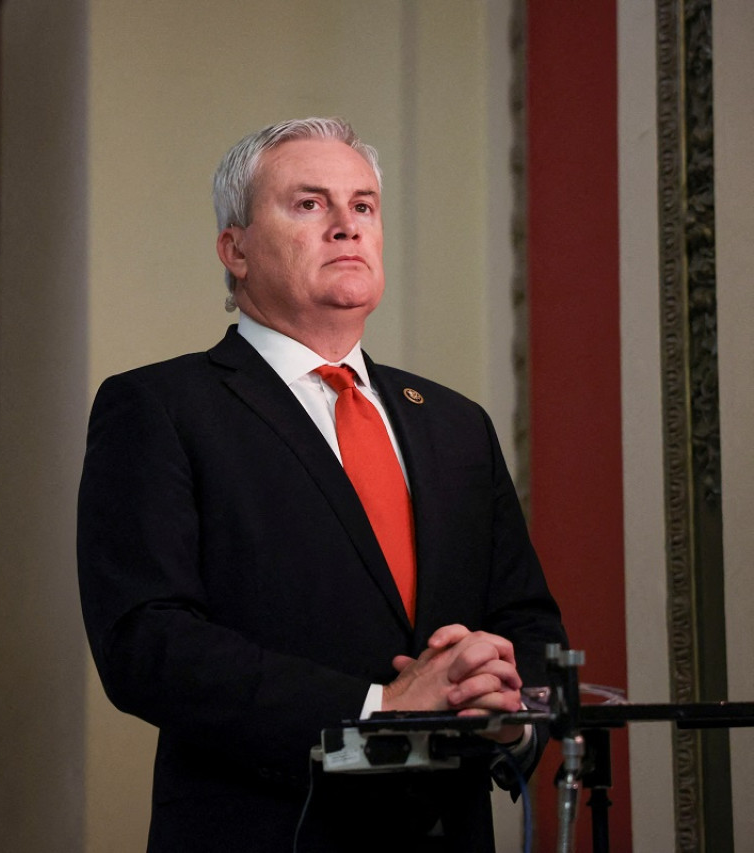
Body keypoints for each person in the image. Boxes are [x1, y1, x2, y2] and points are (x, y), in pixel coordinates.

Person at [76, 117, 566, 852]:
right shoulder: (160, 407)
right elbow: (146, 643)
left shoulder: (456, 424)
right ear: (234, 249)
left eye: (363, 206)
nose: (347, 226)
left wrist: (502, 705)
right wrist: (377, 707)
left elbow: (529, 626)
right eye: (309, 204)